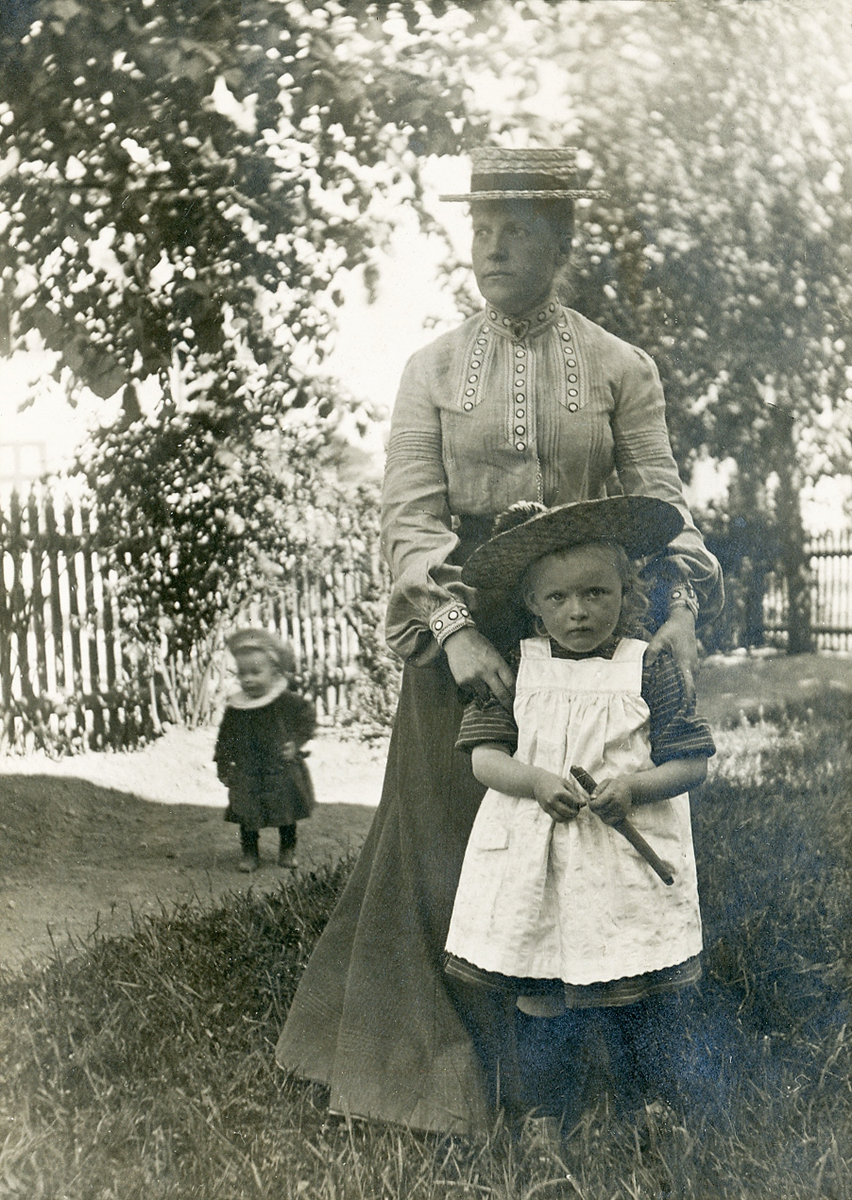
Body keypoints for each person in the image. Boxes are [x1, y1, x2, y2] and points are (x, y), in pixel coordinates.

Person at [276, 147, 723, 1134]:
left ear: (562, 242)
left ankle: (597, 1067)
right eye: (482, 227)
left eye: (518, 228)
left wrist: (681, 609)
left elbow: (663, 506)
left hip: (589, 628)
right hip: (469, 636)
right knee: (460, 842)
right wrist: (454, 632)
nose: (494, 246)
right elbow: (409, 516)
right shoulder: (432, 370)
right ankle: (458, 1073)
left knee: (596, 840)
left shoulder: (620, 367)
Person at [443, 496, 716, 1128]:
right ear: (533, 603)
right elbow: (485, 760)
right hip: (540, 860)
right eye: (559, 597)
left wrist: (635, 788)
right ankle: (546, 1110)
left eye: (597, 593)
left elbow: (692, 764)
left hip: (624, 861)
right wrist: (537, 781)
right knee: (540, 988)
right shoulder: (515, 666)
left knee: (637, 984)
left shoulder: (648, 666)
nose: (579, 611)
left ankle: (645, 1106)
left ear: (627, 591)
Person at [215, 628, 315, 873]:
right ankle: (250, 852)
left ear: (274, 672)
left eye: (256, 672)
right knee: (247, 811)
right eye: (242, 673)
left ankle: (287, 848)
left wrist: (295, 742)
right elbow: (225, 738)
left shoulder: (285, 701)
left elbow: (307, 716)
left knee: (286, 808)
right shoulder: (236, 708)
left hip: (279, 766)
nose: (248, 679)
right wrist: (224, 765)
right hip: (247, 769)